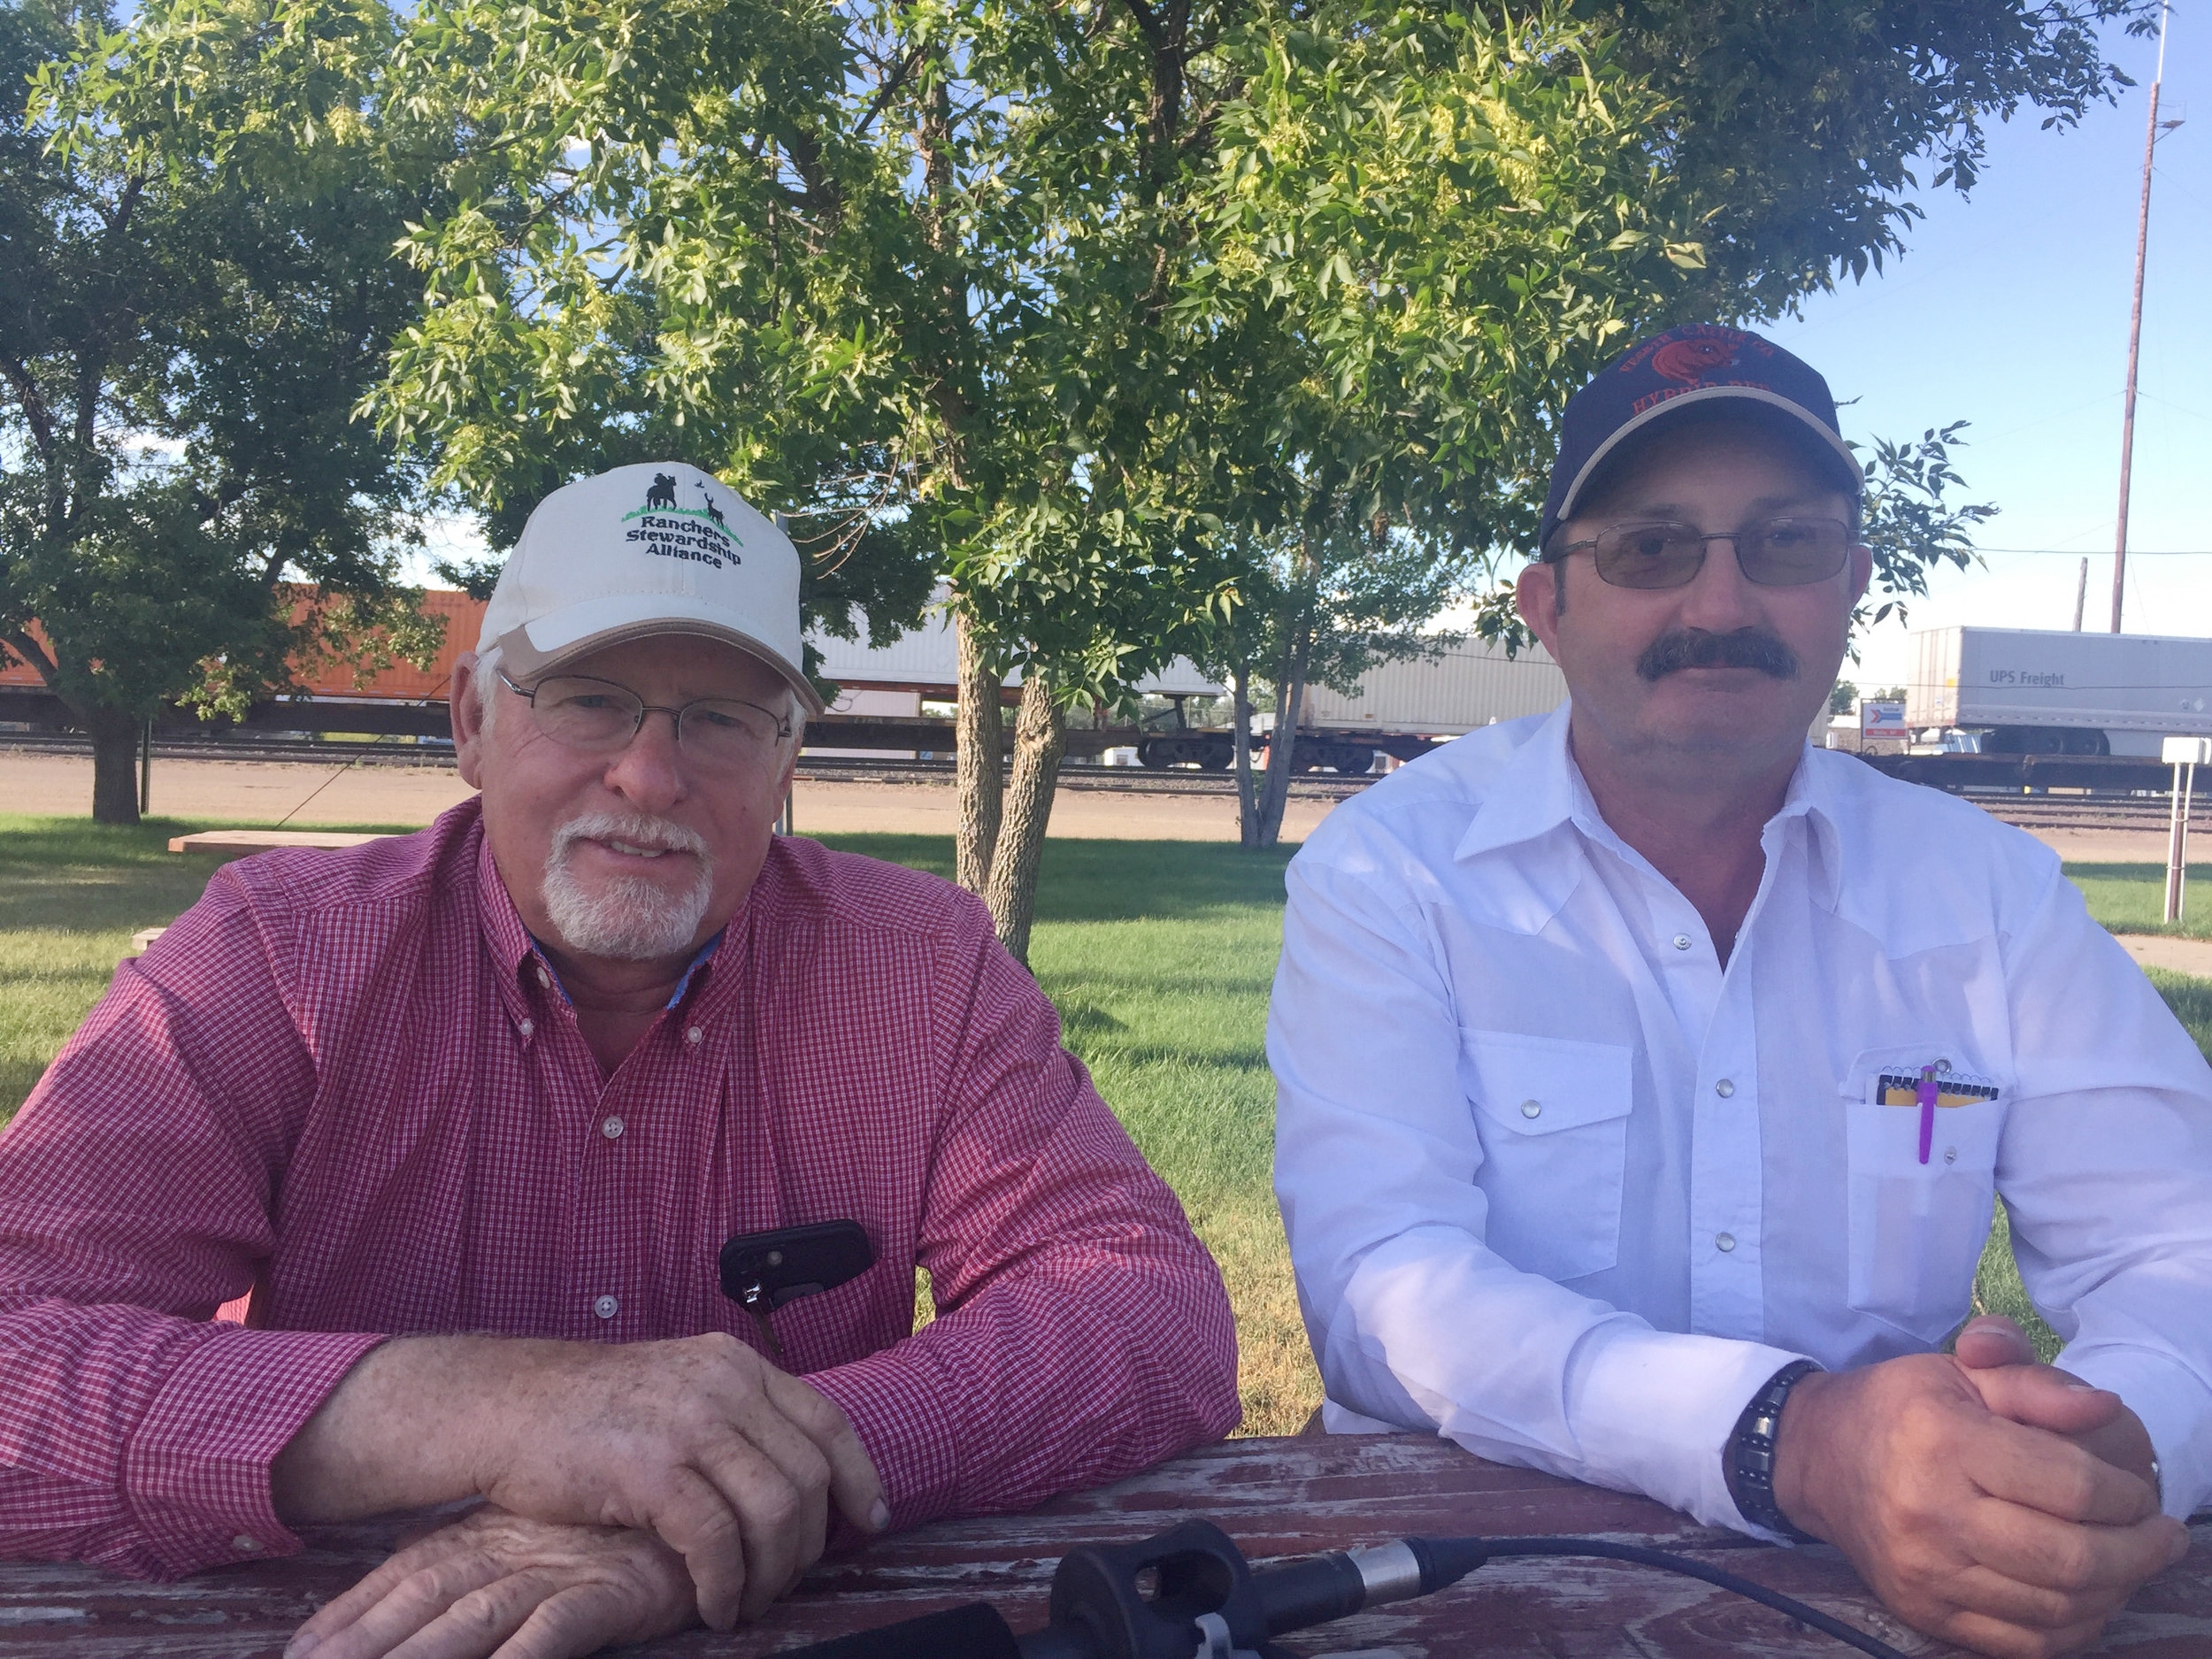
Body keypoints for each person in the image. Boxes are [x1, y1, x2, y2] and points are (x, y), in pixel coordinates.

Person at [0, 462, 1240, 1659]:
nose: (650, 775)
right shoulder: (274, 961)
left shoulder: (924, 968)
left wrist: (733, 1488)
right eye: (591, 697)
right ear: (472, 723)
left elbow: (1144, 1307)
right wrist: (495, 1411)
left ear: (786, 763)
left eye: (719, 719)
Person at [1271, 326, 2209, 1659]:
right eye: (1651, 548)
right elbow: (1381, 1290)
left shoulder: (1987, 895)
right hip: (1468, 1570)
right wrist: (1789, 1437)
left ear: (1853, 585)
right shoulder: (1395, 875)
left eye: (1783, 545)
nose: (1720, 603)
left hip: (1879, 1595)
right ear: (1547, 606)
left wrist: (2113, 1442)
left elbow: (2183, 1247)